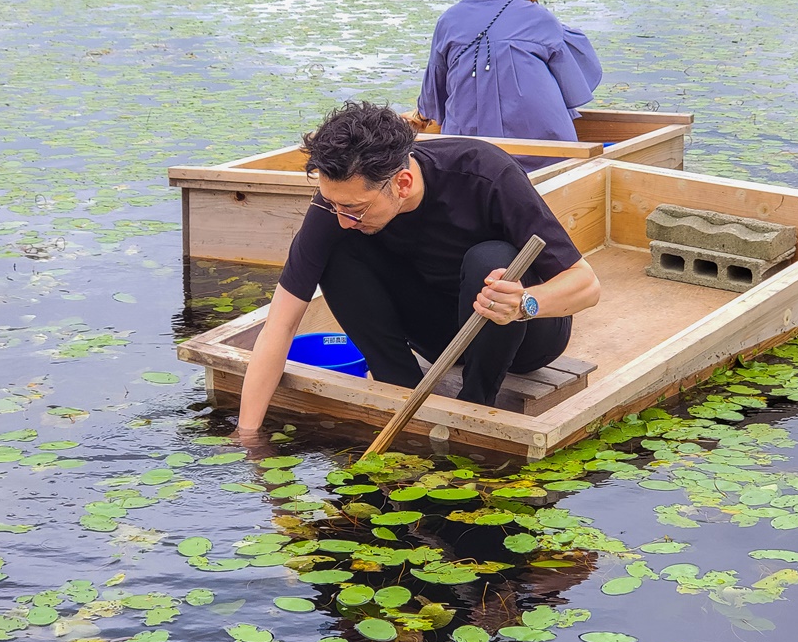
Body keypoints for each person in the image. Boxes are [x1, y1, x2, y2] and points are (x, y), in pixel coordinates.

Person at [235, 101, 600, 438]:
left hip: (522, 334)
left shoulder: (486, 173)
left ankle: (476, 403)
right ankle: (400, 387)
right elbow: (280, 325)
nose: (343, 217)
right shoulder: (339, 203)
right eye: (334, 204)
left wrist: (523, 304)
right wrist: (247, 436)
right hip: (440, 336)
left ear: (402, 183)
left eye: (354, 208)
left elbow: (586, 285)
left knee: (491, 259)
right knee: (339, 250)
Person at [409, 0, 603, 169]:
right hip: (548, 158)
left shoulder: (449, 21)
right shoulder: (539, 18)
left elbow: (433, 97)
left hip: (469, 163)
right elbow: (575, 88)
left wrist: (420, 117)